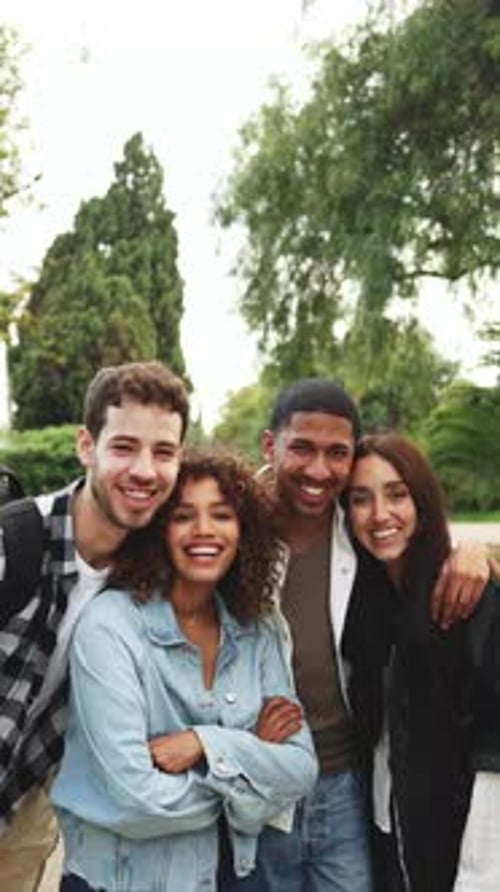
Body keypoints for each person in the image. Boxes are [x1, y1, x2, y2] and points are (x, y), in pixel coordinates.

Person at [248, 378, 491, 892]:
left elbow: (413, 535)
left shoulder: (363, 541)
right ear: (271, 447)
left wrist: (479, 556)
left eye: (336, 453)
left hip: (349, 787)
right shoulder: (236, 534)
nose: (319, 471)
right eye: (302, 449)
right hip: (262, 784)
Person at [50, 450, 318, 892]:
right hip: (122, 879)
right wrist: (251, 765)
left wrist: (205, 744)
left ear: (244, 530)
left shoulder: (261, 624)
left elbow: (301, 768)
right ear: (157, 529)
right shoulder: (110, 627)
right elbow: (134, 798)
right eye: (183, 516)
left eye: (222, 515)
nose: (205, 531)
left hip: (231, 873)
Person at [0, 360, 190, 892]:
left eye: (164, 452)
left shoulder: (148, 571)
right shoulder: (15, 542)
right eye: (125, 447)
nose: (145, 471)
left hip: (21, 811)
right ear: (87, 447)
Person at [344, 432, 500, 891]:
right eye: (360, 499)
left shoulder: (468, 599)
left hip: (463, 851)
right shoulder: (362, 602)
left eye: (397, 495)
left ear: (423, 502)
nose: (380, 515)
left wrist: (480, 874)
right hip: (387, 831)